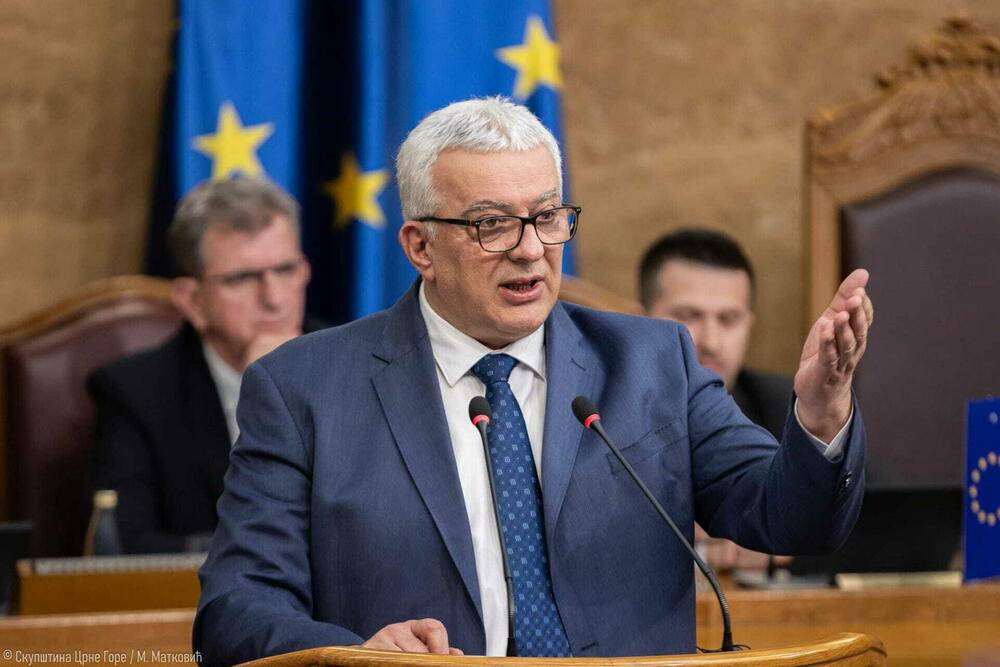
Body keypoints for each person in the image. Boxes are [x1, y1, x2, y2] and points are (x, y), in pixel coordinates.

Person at [194, 97, 873, 663]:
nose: (529, 249)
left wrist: (821, 413)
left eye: (547, 217)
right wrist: (357, 655)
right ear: (421, 246)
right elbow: (234, 609)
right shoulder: (304, 390)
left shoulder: (651, 361)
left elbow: (789, 517)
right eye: (491, 224)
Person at [87, 177, 315, 553]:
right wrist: (263, 397)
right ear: (192, 300)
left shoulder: (361, 363)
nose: (274, 299)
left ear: (304, 271)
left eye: (285, 270)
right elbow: (121, 547)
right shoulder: (135, 394)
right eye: (242, 278)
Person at [639, 229, 794, 571]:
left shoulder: (787, 408)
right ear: (640, 321)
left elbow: (882, 517)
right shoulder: (590, 412)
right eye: (689, 316)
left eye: (729, 320)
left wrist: (785, 544)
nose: (710, 342)